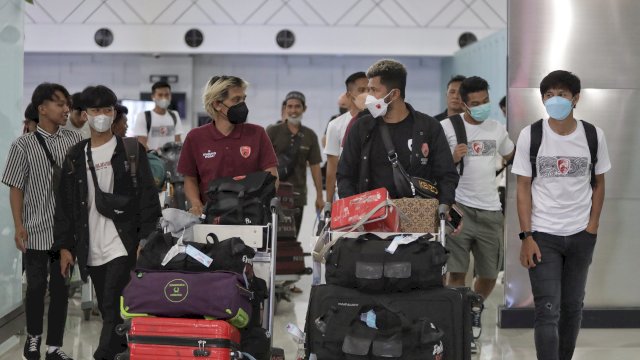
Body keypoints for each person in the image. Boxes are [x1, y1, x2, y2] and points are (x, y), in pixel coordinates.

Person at [52, 85, 161, 360]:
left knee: (112, 307)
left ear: (114, 113)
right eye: (95, 110)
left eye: (107, 110)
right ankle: (125, 353)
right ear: (85, 114)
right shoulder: (75, 155)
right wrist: (65, 247)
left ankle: (102, 356)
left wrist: (146, 240)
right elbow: (65, 207)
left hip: (123, 243)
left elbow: (148, 199)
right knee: (110, 309)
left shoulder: (131, 150)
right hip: (91, 247)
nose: (101, 115)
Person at [511, 70, 611, 360]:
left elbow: (600, 183)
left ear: (575, 99)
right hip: (543, 235)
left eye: (562, 95)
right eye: (549, 95)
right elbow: (523, 188)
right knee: (547, 310)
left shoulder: (593, 135)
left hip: (581, 235)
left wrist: (592, 226)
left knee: (572, 307)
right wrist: (527, 236)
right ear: (542, 99)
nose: (555, 100)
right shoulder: (532, 134)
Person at [2, 82, 82, 360]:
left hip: (65, 236)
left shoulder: (73, 141)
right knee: (36, 289)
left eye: (67, 103)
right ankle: (33, 339)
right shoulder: (22, 145)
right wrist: (19, 225)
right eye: (60, 103)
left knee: (61, 292)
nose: (65, 109)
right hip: (35, 231)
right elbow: (16, 187)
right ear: (42, 108)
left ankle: (54, 348)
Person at [440, 76, 515, 349]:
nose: (482, 107)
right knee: (456, 273)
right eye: (475, 103)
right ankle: (459, 323)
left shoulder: (497, 129)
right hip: (459, 210)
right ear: (463, 103)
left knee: (489, 274)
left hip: (491, 211)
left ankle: (474, 308)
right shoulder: (446, 128)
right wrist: (452, 158)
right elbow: (432, 169)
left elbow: (510, 155)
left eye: (485, 101)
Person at [337, 59, 459, 213]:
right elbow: (345, 174)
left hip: (417, 218)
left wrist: (445, 204)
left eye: (374, 90)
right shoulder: (361, 128)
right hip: (371, 218)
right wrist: (354, 211)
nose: (369, 97)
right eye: (369, 90)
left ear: (394, 94)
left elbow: (446, 174)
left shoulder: (429, 127)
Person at [177, 75, 278, 215]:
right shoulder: (195, 138)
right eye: (236, 99)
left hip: (251, 217)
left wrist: (264, 204)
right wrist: (196, 203)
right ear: (217, 104)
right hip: (211, 218)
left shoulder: (257, 134)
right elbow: (190, 179)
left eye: (244, 99)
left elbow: (272, 176)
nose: (242, 104)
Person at [267, 91, 325, 236]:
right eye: (290, 106)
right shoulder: (272, 131)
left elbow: (315, 166)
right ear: (285, 108)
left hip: (297, 195)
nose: (293, 110)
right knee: (271, 237)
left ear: (304, 109)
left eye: (297, 107)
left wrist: (319, 196)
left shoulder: (310, 135)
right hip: (273, 194)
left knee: (292, 238)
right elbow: (262, 162)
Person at [324, 71, 368, 202]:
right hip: (346, 194)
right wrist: (328, 204)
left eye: (369, 89)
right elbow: (332, 169)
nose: (367, 94)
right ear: (350, 95)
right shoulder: (335, 125)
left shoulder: (380, 122)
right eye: (361, 90)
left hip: (374, 192)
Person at [132, 81, 183, 150]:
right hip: (152, 160)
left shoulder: (175, 115)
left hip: (172, 160)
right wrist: (156, 156)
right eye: (160, 95)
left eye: (166, 94)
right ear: (153, 96)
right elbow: (142, 144)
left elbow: (178, 142)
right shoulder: (143, 116)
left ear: (170, 96)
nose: (164, 98)